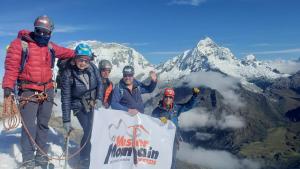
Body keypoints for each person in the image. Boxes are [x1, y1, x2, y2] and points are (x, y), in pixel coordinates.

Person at [2, 15, 75, 169]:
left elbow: (66, 52)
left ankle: (41, 155)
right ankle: (28, 159)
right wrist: (8, 86)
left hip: (47, 90)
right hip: (28, 91)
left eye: (45, 33)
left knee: (43, 124)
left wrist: (82, 56)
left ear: (50, 33)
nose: (42, 35)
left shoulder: (50, 47)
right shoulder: (20, 45)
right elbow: (11, 66)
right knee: (29, 126)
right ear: (34, 29)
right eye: (39, 31)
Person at [60, 43, 102, 169]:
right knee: (89, 130)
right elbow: (66, 98)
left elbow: (99, 83)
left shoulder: (93, 68)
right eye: (80, 59)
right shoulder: (68, 74)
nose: (83, 63)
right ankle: (84, 159)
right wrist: (66, 120)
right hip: (78, 105)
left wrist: (99, 98)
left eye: (86, 60)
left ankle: (93, 153)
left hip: (93, 103)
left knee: (96, 130)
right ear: (75, 59)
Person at [151, 87, 200, 169]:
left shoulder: (176, 108)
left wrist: (194, 96)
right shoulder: (156, 111)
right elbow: (151, 124)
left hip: (174, 138)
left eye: (170, 97)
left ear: (172, 99)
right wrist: (159, 121)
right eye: (166, 96)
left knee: (172, 159)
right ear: (163, 97)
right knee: (160, 157)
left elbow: (188, 106)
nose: (168, 99)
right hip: (161, 138)